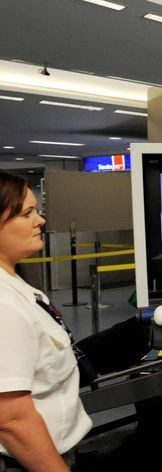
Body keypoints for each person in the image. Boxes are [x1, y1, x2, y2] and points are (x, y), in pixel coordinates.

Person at [0, 171, 92, 471]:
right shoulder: (3, 302)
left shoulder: (15, 284)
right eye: (27, 214)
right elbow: (12, 420)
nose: (40, 220)